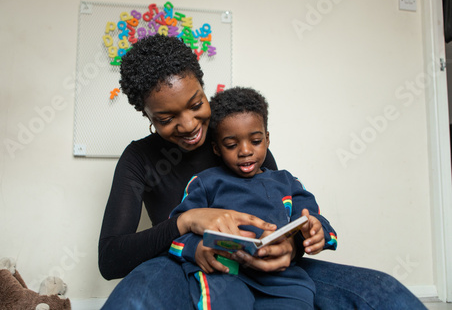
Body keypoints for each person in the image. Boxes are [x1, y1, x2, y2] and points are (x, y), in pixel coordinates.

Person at [99, 34, 426, 309]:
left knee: (384, 291)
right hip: (188, 261)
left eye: (196, 104)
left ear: (203, 86)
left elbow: (282, 208)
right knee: (134, 299)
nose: (188, 124)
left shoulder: (240, 138)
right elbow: (111, 259)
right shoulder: (139, 157)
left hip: (267, 267)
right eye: (166, 118)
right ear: (147, 114)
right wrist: (186, 220)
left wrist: (292, 248)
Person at [168, 87, 337, 309]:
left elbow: (311, 218)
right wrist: (196, 249)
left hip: (280, 275)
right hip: (224, 271)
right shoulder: (205, 182)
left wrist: (316, 231)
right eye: (231, 145)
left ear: (267, 139)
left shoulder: (286, 181)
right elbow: (176, 229)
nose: (245, 151)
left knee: (300, 295)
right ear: (217, 148)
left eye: (255, 141)